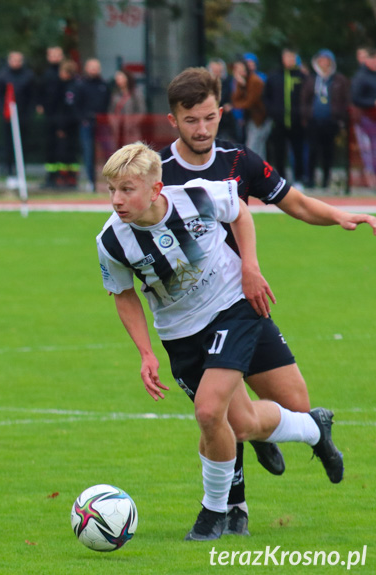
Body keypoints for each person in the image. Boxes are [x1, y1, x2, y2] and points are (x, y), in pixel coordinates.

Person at [161, 66, 376, 535]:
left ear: (221, 112)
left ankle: (284, 430)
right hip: (198, 317)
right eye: (190, 119)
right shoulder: (158, 175)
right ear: (172, 119)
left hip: (244, 305)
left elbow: (294, 202)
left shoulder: (239, 162)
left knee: (293, 404)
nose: (201, 129)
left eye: (208, 118)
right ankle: (233, 510)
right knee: (220, 415)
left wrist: (340, 215)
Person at [96, 142, 344, 541]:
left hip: (232, 308)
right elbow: (124, 295)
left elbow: (241, 212)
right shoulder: (110, 241)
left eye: (127, 189)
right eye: (111, 190)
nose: (117, 200)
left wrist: (250, 266)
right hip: (179, 335)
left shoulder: (198, 195)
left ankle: (214, 514)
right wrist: (145, 353)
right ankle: (314, 428)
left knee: (209, 412)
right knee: (240, 424)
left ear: (156, 188)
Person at [301, 49, 350, 189]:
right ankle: (310, 179)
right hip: (314, 121)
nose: (323, 63)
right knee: (312, 151)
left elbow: (344, 100)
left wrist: (341, 118)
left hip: (331, 121)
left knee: (328, 151)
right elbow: (304, 99)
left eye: (326, 60)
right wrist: (306, 116)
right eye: (321, 60)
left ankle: (326, 180)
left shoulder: (339, 80)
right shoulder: (311, 79)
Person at [264, 49, 307, 187]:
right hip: (278, 122)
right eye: (287, 57)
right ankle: (280, 180)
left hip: (297, 122)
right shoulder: (273, 76)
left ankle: (299, 179)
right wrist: (272, 112)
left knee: (298, 150)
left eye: (292, 57)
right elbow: (265, 97)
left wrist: (302, 113)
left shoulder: (302, 76)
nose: (289, 60)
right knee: (279, 152)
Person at [0, 51, 35, 189]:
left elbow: (32, 96)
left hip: (23, 117)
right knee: (8, 145)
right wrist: (4, 110)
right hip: (8, 117)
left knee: (23, 145)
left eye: (19, 60)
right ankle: (10, 173)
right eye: (14, 59)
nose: (16, 62)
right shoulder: (2, 75)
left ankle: (21, 174)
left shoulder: (28, 75)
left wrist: (28, 112)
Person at [47, 60, 81, 188]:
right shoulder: (69, 86)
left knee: (66, 152)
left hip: (67, 126)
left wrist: (61, 126)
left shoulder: (68, 87)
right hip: (70, 125)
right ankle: (67, 176)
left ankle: (66, 177)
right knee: (68, 152)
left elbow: (65, 109)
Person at [79, 58, 111, 192]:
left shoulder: (103, 85)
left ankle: (110, 179)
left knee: (108, 151)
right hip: (87, 124)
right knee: (88, 152)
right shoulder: (81, 85)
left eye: (96, 67)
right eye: (91, 67)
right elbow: (76, 104)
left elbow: (108, 103)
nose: (94, 70)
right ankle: (91, 181)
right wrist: (83, 118)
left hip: (102, 124)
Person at [230, 58, 269, 159]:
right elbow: (235, 99)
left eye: (240, 68)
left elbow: (250, 102)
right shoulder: (244, 81)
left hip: (260, 119)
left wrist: (235, 105)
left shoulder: (255, 81)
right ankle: (260, 172)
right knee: (256, 147)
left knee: (253, 147)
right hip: (251, 118)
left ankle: (257, 172)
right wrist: (240, 84)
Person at [38, 46, 65, 188]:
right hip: (50, 118)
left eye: (57, 55)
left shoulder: (64, 74)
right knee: (50, 148)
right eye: (52, 55)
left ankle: (64, 177)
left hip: (62, 118)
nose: (55, 58)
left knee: (63, 148)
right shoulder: (46, 75)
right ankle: (51, 177)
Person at [351, 47, 376, 188]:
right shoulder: (360, 76)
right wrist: (372, 102)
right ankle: (371, 181)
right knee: (368, 151)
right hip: (365, 120)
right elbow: (355, 99)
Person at [108, 69, 146, 149]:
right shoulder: (115, 94)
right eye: (117, 78)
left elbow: (141, 111)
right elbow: (111, 111)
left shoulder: (136, 94)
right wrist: (113, 122)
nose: (118, 79)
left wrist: (133, 123)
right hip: (118, 129)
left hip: (131, 129)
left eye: (120, 77)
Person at [207, 58, 239, 143]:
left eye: (219, 70)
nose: (217, 73)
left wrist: (231, 105)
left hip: (227, 118)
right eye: (215, 70)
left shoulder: (229, 81)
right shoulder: (206, 83)